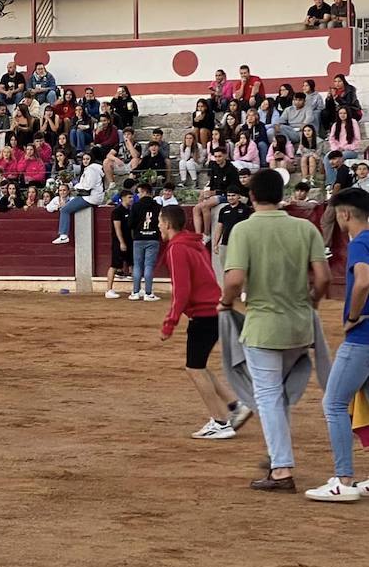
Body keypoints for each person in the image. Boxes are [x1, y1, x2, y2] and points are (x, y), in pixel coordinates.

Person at [221, 169, 331, 492]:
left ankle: (281, 469)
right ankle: (275, 454)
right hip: (300, 327)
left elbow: (235, 280)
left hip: (264, 327)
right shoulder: (304, 227)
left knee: (267, 395)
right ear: (281, 194)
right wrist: (310, 304)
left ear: (251, 196)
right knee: (277, 394)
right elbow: (323, 278)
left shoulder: (244, 230)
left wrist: (225, 304)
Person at [158, 206, 251, 439]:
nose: (158, 226)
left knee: (194, 368)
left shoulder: (177, 248)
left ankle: (220, 422)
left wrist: (170, 322)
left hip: (203, 314)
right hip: (215, 309)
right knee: (198, 365)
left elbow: (182, 290)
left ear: (168, 224)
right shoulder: (195, 243)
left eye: (160, 222)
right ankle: (234, 406)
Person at [303, 189, 369, 500]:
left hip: (362, 338)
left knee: (333, 404)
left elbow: (364, 280)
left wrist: (354, 315)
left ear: (345, 214)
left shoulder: (360, 243)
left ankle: (344, 479)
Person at [52, 148, 105, 244]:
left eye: (87, 159)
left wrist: (76, 186)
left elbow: (87, 186)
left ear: (91, 159)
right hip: (93, 197)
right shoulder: (93, 169)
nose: (85, 161)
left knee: (65, 209)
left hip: (90, 197)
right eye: (84, 159)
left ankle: (63, 235)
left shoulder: (91, 170)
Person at [128, 181, 163, 301]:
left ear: (144, 191)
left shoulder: (136, 206)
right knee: (149, 265)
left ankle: (135, 292)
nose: (138, 195)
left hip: (138, 238)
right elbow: (161, 223)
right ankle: (148, 293)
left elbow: (130, 223)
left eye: (139, 192)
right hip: (153, 238)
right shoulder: (158, 207)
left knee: (137, 265)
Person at [103, 188, 133, 299]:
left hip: (129, 241)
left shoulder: (129, 210)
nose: (131, 199)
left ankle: (136, 289)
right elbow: (117, 228)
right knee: (114, 265)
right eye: (129, 197)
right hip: (119, 242)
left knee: (132, 264)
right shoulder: (117, 211)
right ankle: (109, 290)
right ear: (123, 198)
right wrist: (122, 242)